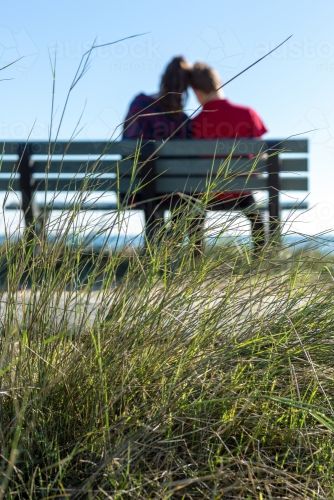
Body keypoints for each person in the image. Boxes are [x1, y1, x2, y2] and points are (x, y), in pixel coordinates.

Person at [189, 62, 268, 254]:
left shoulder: (195, 123)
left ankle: (195, 260)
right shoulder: (247, 114)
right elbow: (262, 156)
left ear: (197, 92)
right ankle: (261, 261)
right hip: (241, 193)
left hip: (206, 195)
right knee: (257, 219)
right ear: (220, 83)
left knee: (193, 215)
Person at [122, 56, 192, 243]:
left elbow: (127, 148)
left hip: (132, 191)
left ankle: (156, 242)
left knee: (148, 173)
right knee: (186, 188)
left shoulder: (140, 104)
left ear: (163, 78)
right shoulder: (185, 122)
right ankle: (172, 244)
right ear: (187, 88)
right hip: (177, 195)